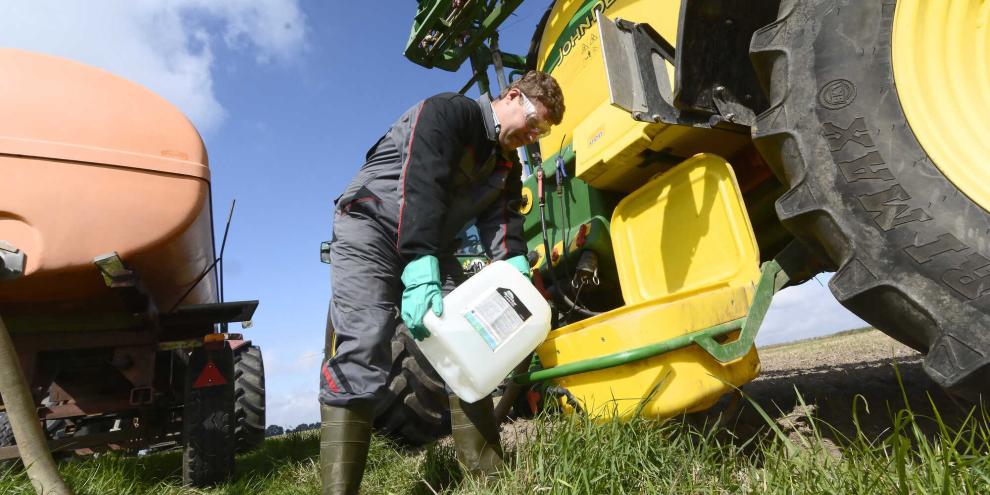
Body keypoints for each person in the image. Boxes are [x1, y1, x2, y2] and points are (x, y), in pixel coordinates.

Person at [319, 70, 565, 494]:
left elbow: (502, 218)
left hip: (430, 243)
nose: (533, 135)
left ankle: (488, 477)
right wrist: (418, 261)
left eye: (541, 131)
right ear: (511, 97)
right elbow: (422, 182)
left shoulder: (503, 164)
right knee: (366, 342)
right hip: (372, 225)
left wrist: (515, 265)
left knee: (470, 340)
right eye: (533, 122)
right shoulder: (450, 113)